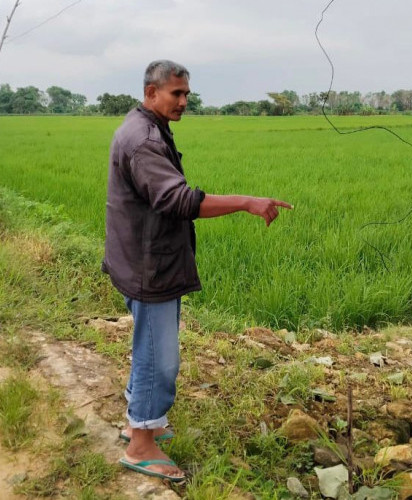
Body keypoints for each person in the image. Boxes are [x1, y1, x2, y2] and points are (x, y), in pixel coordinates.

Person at [102, 60, 292, 481]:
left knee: (148, 348)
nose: (185, 101)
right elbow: (179, 200)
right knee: (159, 359)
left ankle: (142, 421)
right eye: (177, 94)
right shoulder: (143, 140)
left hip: (142, 257)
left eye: (187, 93)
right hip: (148, 265)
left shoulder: (143, 127)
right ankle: (140, 445)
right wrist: (247, 201)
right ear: (151, 93)